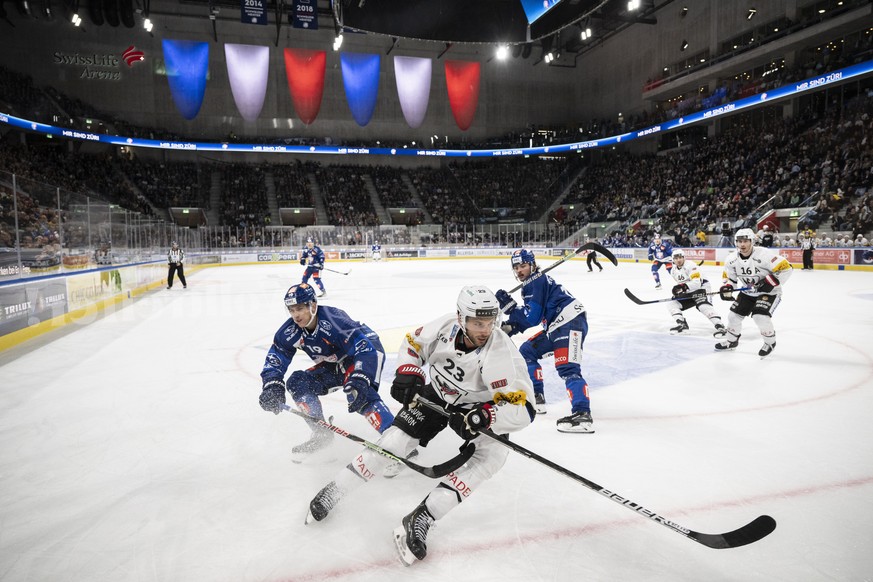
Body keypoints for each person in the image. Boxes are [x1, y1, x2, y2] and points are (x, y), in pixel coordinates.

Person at [304, 285, 535, 566]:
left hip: (475, 408)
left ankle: (423, 516)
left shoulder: (502, 356)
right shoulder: (445, 327)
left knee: (493, 456)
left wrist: (486, 416)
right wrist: (408, 369)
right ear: (461, 318)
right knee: (393, 443)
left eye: (489, 322)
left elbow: (523, 406)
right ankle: (335, 490)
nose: (485, 329)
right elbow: (413, 344)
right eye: (477, 322)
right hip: (436, 393)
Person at [258, 283, 395, 460]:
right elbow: (275, 359)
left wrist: (360, 377)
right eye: (291, 310)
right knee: (297, 382)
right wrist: (271, 386)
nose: (295, 315)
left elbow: (365, 349)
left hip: (365, 354)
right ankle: (321, 434)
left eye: (299, 308)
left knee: (357, 392)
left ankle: (395, 441)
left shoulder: (335, 320)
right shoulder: (289, 331)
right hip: (333, 362)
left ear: (313, 306)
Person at [496, 249, 594, 432]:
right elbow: (532, 315)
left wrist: (510, 308)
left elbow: (531, 317)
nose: (519, 271)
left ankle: (582, 415)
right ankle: (537, 396)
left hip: (569, 322)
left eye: (523, 266)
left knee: (568, 368)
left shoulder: (537, 281)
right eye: (516, 267)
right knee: (527, 351)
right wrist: (512, 326)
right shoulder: (533, 283)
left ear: (532, 265)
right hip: (556, 326)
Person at [716, 229, 793, 357]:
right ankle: (731, 341)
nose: (742, 245)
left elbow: (787, 268)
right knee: (733, 317)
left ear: (752, 241)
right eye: (739, 241)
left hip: (770, 293)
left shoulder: (764, 255)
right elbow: (730, 279)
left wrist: (771, 281)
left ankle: (770, 342)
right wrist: (728, 287)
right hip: (748, 291)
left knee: (760, 317)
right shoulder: (731, 259)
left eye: (746, 241)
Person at [665, 248, 726, 337]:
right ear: (673, 260)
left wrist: (683, 287)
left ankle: (720, 326)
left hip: (702, 288)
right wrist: (679, 291)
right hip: (689, 290)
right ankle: (682, 325)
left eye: (680, 257)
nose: (678, 260)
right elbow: (681, 284)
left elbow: (697, 283)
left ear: (683, 258)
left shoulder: (691, 266)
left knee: (703, 306)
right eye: (676, 258)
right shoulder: (673, 270)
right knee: (672, 303)